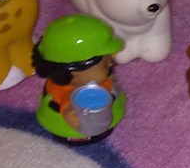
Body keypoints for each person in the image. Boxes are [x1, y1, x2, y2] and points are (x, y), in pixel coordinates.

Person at [31, 14, 125, 143]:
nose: (110, 64)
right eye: (104, 65)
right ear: (74, 72)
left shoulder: (98, 80)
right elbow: (68, 104)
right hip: (74, 130)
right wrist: (71, 113)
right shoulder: (66, 93)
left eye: (110, 58)